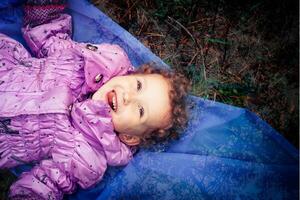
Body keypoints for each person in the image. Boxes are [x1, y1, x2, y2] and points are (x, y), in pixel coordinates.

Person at [0, 0, 190, 199]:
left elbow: (48, 183)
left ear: (130, 137)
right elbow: (50, 37)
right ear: (129, 74)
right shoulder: (86, 63)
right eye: (138, 85)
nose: (129, 97)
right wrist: (45, 8)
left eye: (140, 110)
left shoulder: (87, 155)